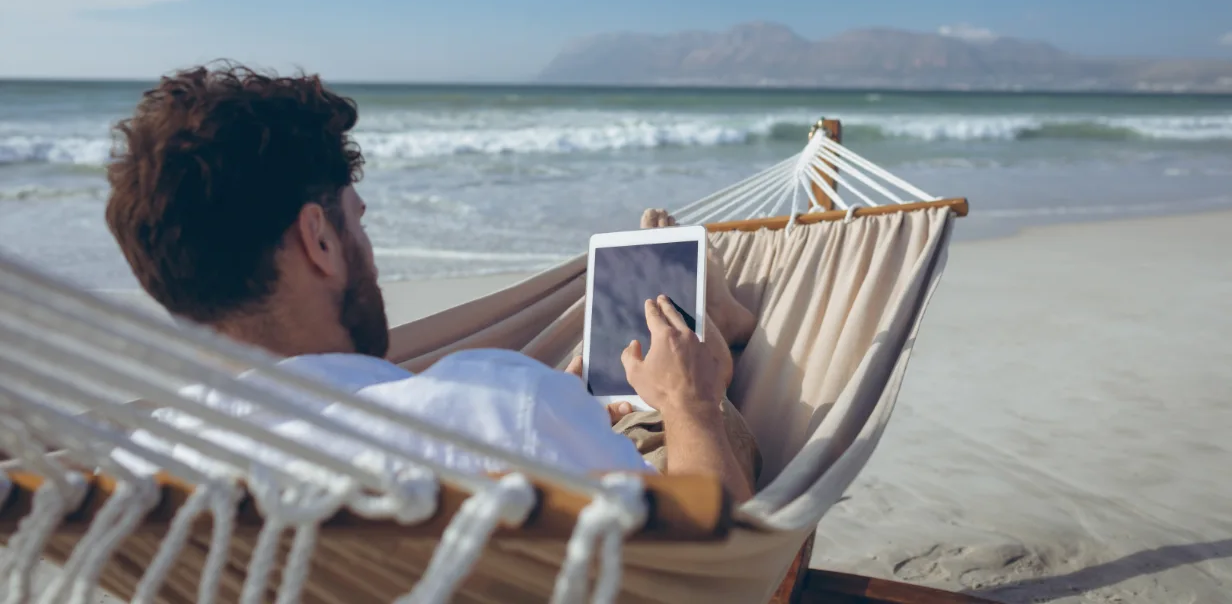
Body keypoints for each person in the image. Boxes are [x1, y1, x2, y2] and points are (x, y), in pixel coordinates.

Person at [105, 64, 756, 502]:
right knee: (676, 409)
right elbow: (712, 576)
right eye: (357, 223)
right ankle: (717, 331)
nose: (368, 248)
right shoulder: (498, 409)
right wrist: (692, 406)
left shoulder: (145, 470)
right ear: (320, 240)